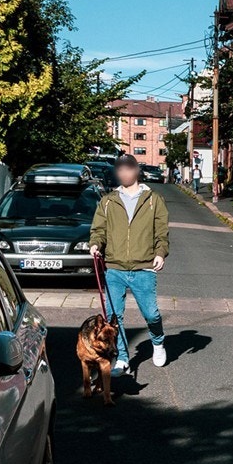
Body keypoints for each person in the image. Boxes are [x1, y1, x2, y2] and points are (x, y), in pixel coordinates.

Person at [88, 152, 172, 374]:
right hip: (114, 268)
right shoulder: (108, 201)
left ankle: (158, 342)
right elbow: (99, 230)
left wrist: (160, 253)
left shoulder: (153, 200)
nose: (124, 173)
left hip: (144, 267)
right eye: (121, 170)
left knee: (151, 314)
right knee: (113, 317)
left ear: (137, 171)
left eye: (128, 169)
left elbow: (161, 232)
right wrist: (95, 244)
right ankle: (122, 359)